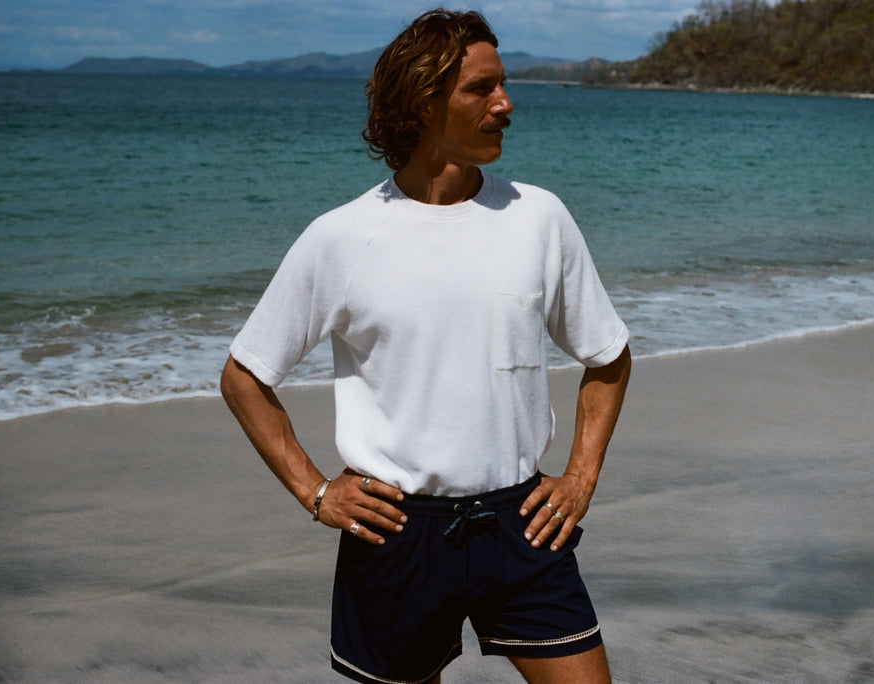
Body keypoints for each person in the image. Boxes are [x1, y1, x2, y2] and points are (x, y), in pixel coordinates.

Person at [220, 8, 631, 683]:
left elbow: (608, 356)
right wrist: (316, 492)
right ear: (423, 98)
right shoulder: (342, 238)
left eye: (503, 85)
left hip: (523, 524)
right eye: (482, 89)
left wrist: (581, 477)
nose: (506, 104)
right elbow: (244, 376)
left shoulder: (539, 218)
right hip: (395, 535)